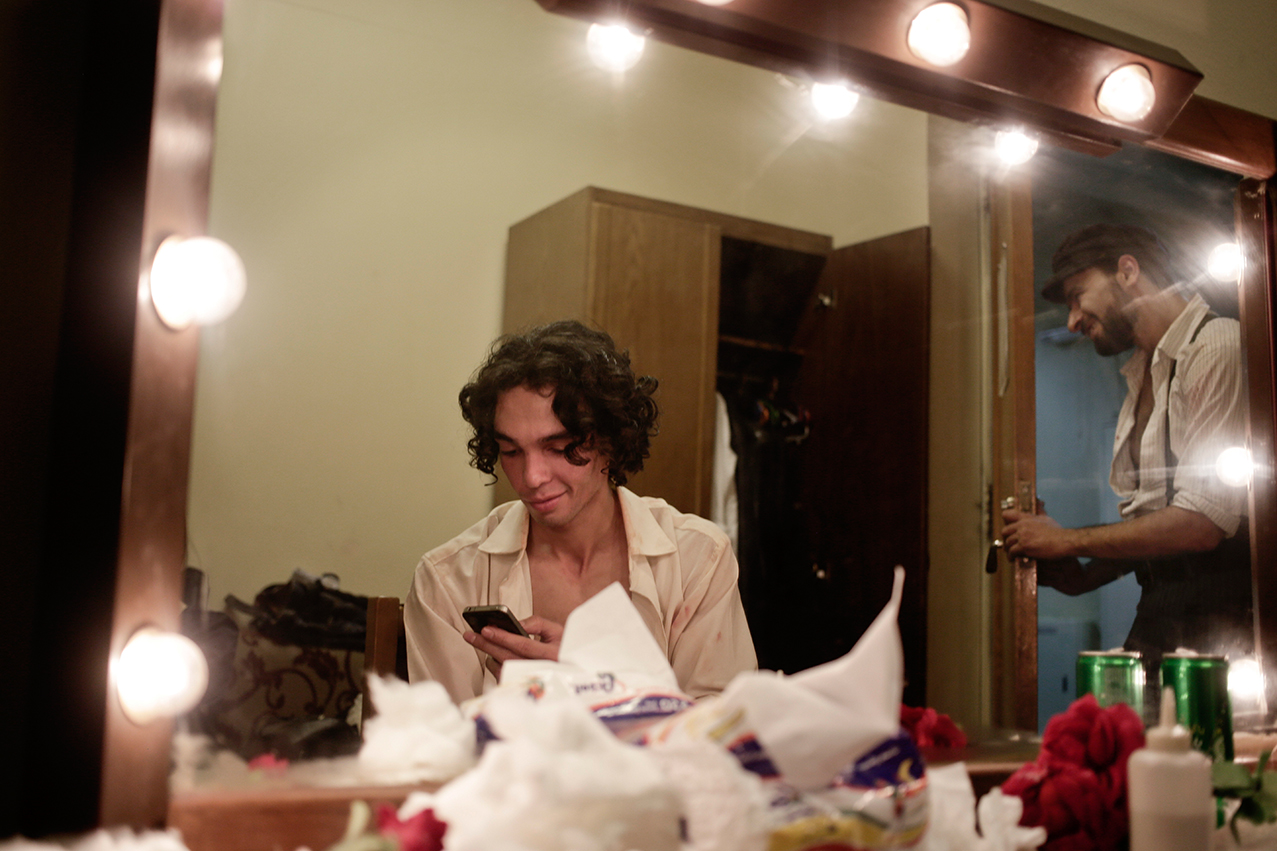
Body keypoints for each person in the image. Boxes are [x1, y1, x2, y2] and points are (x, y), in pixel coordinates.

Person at [404, 319, 757, 703]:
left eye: (559, 447)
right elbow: (444, 747)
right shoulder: (448, 581)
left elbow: (723, 734)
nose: (532, 476)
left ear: (610, 437)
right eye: (511, 451)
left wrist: (597, 690)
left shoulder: (697, 559)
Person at [1000, 223, 1252, 663]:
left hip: (1227, 621)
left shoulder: (1215, 346)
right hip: (1161, 611)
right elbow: (1158, 519)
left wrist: (1068, 541)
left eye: (1077, 295)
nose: (1073, 320)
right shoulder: (1143, 372)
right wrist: (1079, 577)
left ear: (1128, 271)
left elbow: (1202, 524)